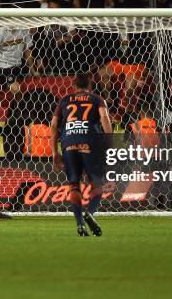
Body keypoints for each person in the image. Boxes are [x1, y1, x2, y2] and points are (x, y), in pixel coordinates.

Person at [50, 73, 113, 237]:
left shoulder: (64, 100)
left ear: (74, 85)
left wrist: (55, 152)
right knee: (97, 184)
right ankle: (90, 213)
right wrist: (110, 142)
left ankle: (80, 225)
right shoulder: (97, 99)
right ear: (90, 85)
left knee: (74, 186)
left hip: (68, 142)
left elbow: (54, 124)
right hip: (90, 141)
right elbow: (105, 118)